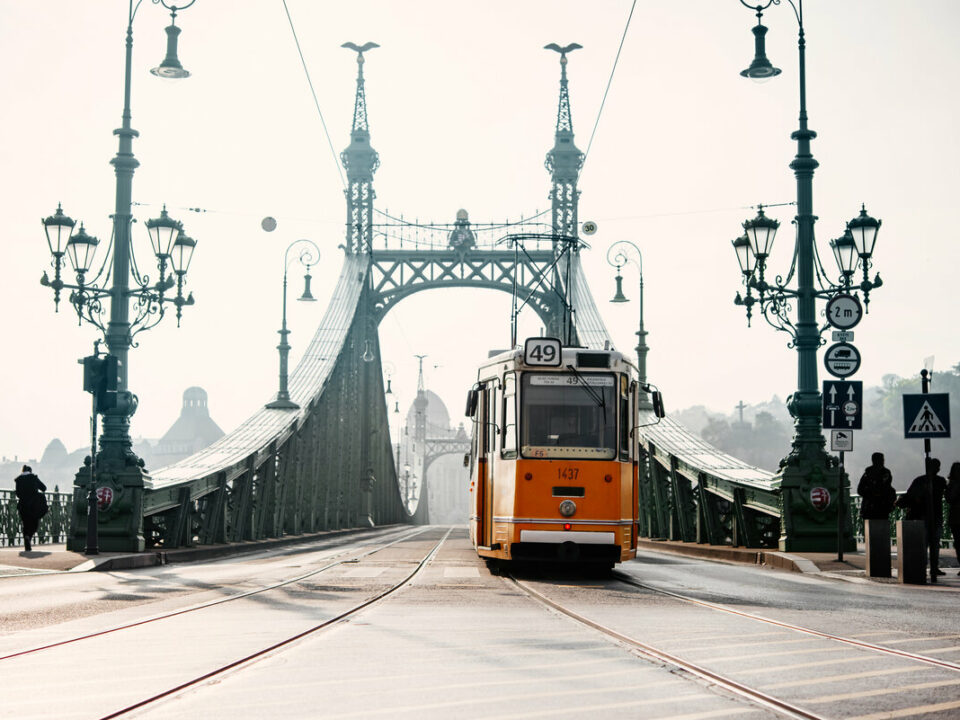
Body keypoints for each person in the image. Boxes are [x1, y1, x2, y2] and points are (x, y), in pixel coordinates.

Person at [898, 458, 947, 582]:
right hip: (933, 516)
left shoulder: (920, 480)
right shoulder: (940, 481)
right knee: (934, 544)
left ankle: (925, 567)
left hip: (924, 516)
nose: (938, 469)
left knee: (926, 544)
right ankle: (933, 568)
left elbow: (910, 495)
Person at [13, 465, 47, 552]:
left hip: (23, 505)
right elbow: (43, 488)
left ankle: (26, 541)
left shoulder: (18, 480)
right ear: (30, 471)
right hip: (34, 505)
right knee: (34, 524)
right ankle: (29, 537)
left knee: (26, 524)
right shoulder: (33, 478)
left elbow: (17, 494)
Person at [857, 452, 897, 521]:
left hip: (871, 507)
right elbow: (886, 487)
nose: (883, 461)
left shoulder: (867, 473)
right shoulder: (885, 473)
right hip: (880, 507)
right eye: (881, 459)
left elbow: (860, 489)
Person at [947, 462, 960, 576]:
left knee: (958, 542)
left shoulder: (951, 484)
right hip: (956, 517)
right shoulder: (952, 485)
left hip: (955, 516)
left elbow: (949, 498)